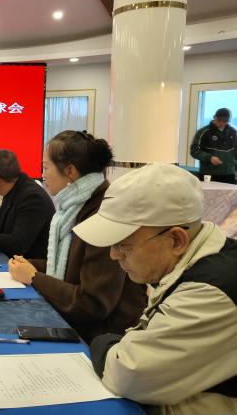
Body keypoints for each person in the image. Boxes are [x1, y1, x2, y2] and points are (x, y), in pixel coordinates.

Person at [74, 163, 237, 414]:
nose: (113, 255)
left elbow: (128, 374)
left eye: (123, 245)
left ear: (176, 240)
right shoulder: (191, 263)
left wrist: (102, 343)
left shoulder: (212, 290)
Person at [8, 131, 146, 342]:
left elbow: (93, 304)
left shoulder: (103, 215)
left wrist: (35, 278)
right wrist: (30, 265)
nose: (43, 175)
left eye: (46, 167)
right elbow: (71, 268)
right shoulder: (76, 207)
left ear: (70, 171)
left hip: (101, 338)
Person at [190, 107, 236, 184]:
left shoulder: (233, 132)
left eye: (225, 121)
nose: (222, 123)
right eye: (219, 120)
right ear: (214, 117)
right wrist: (209, 158)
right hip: (209, 174)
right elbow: (194, 151)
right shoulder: (203, 132)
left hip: (229, 174)